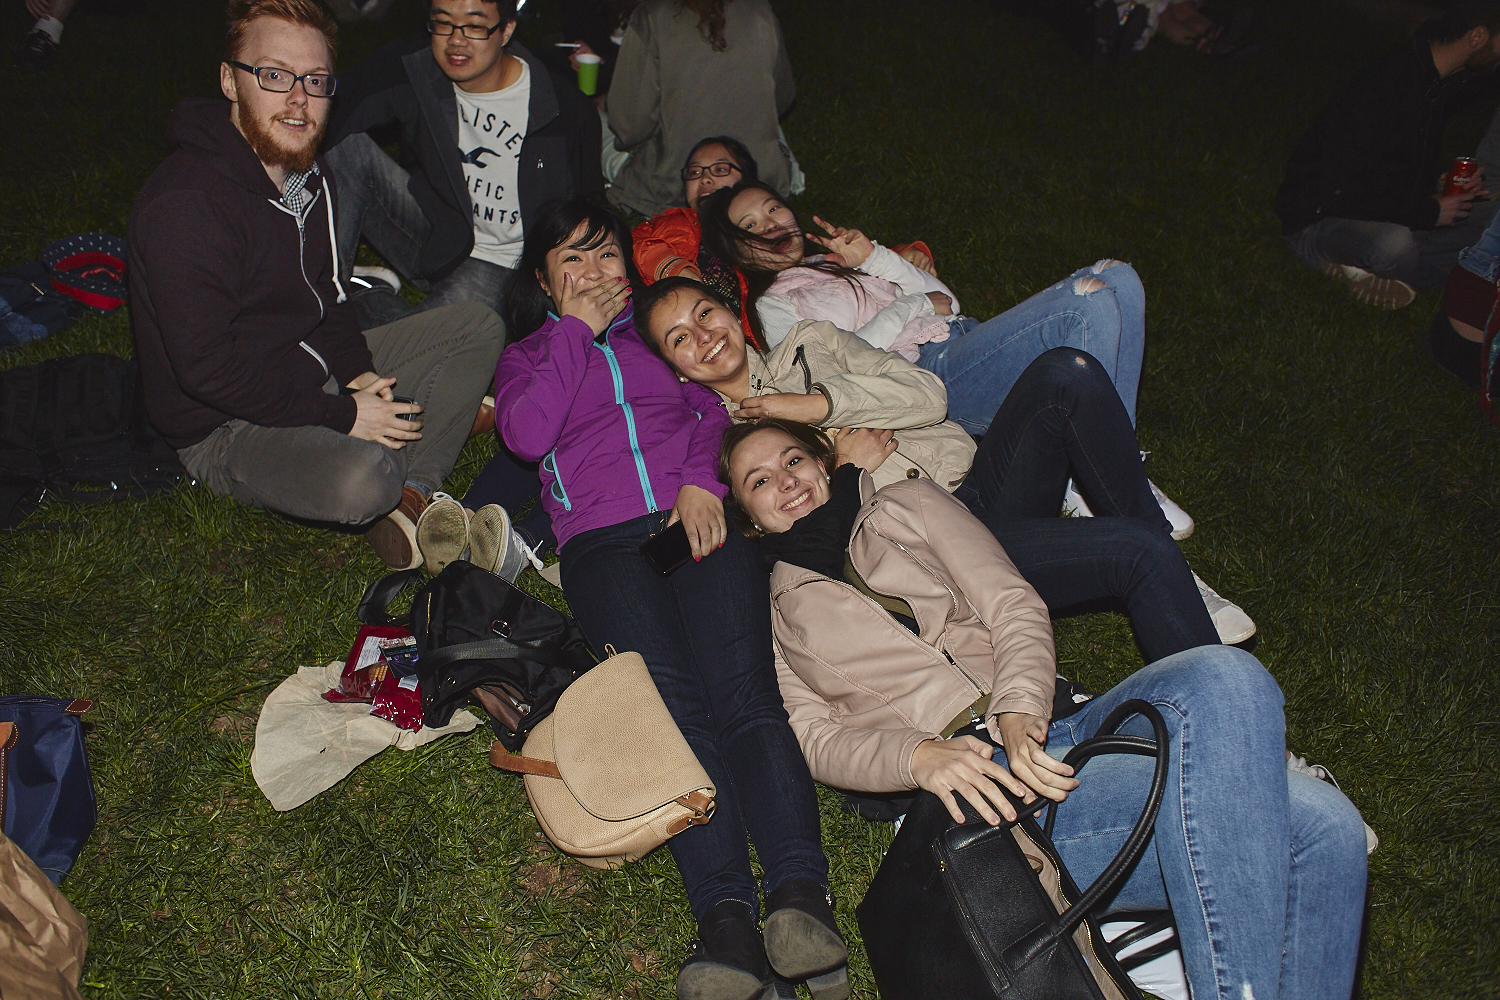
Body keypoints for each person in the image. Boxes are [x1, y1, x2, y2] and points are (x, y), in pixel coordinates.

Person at [719, 419, 1371, 1000]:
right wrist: (915, 755)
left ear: (823, 462)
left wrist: (1020, 704)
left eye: (794, 460)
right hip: (988, 782)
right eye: (760, 480)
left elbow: (1012, 602)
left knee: (1229, 675)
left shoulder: (904, 504)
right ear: (748, 517)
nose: (786, 480)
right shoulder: (770, 618)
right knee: (1324, 824)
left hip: (1070, 717)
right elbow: (809, 734)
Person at [492, 199, 847, 1000]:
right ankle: (725, 917)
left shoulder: (653, 339)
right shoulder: (530, 356)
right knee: (674, 714)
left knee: (747, 698)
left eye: (606, 256)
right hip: (604, 549)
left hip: (696, 518)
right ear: (546, 284)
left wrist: (697, 482)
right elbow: (524, 432)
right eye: (570, 262)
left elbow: (704, 410)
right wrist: (574, 335)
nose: (593, 275)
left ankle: (800, 898)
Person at [635, 276, 1253, 651]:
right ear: (674, 365)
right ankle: (1173, 589)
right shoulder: (718, 441)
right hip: (935, 549)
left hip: (980, 487)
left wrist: (820, 402)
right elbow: (797, 537)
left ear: (727, 309)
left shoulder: (812, 343)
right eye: (679, 339)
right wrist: (845, 460)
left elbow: (929, 398)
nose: (702, 336)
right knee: (1138, 552)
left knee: (1067, 373)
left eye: (704, 314)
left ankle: (1169, 567)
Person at [128, 0, 503, 571]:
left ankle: (415, 495)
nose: (298, 99)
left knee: (480, 324)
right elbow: (205, 372)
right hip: (225, 424)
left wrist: (358, 373)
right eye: (274, 76)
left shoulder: (309, 174)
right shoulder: (186, 208)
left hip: (308, 366)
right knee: (365, 478)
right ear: (230, 80)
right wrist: (345, 416)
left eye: (316, 81)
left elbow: (328, 297)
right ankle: (396, 477)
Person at [699, 180, 1196, 539]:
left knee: (1118, 279)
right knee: (1084, 302)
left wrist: (875, 258)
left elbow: (948, 302)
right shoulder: (772, 305)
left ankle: (1109, 464)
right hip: (924, 369)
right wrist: (910, 307)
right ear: (737, 251)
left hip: (961, 338)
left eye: (773, 209)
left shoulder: (834, 262)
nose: (770, 225)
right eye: (751, 225)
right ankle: (1109, 475)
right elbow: (843, 365)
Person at [321, 0, 604, 329]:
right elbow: (333, 106)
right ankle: (323, 292)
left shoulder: (563, 108)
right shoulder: (417, 68)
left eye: (474, 25)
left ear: (507, 29)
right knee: (344, 145)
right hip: (438, 233)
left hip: (501, 262)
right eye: (443, 23)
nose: (456, 40)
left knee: (421, 344)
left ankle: (365, 300)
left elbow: (592, 205)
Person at [1275, 2, 1500, 309]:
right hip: (1319, 222)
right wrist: (1428, 212)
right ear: (1477, 36)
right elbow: (1339, 191)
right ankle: (1442, 283)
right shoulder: (1388, 86)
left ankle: (1376, 271)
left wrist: (1437, 187)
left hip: (1382, 213)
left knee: (1487, 221)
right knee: (1393, 245)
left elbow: (1392, 169)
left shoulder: (1439, 82)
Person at [604, 0, 796, 219]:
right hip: (760, 176)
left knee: (595, 120)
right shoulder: (759, 10)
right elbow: (783, 97)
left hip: (672, 182)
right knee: (767, 128)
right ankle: (788, 173)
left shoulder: (652, 14)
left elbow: (629, 126)